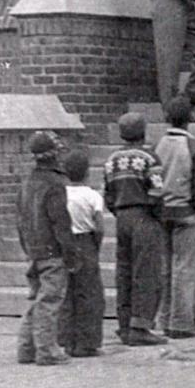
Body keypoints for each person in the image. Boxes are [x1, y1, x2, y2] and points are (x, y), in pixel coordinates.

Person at [103, 112, 168, 346]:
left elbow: (108, 194)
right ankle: (141, 326)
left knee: (124, 270)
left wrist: (119, 211)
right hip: (144, 216)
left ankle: (124, 323)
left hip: (122, 216)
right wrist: (157, 216)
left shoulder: (112, 160)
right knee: (146, 271)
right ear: (143, 131)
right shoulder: (150, 158)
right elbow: (157, 191)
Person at [16, 130, 77, 366]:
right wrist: (70, 254)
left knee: (36, 299)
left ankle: (26, 347)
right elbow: (61, 223)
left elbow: (19, 219)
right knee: (50, 300)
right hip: (52, 250)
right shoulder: (56, 183)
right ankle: (46, 350)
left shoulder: (27, 182)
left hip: (33, 248)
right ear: (54, 155)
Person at [155, 95, 195, 339]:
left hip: (163, 211)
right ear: (191, 118)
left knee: (165, 269)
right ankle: (181, 322)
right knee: (185, 269)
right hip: (186, 211)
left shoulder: (158, 145)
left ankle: (163, 318)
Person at [57, 148, 106, 358]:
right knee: (89, 293)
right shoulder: (93, 196)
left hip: (65, 242)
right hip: (86, 242)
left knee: (67, 293)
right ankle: (87, 342)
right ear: (87, 172)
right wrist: (96, 244)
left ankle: (67, 339)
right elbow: (100, 226)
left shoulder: (61, 194)